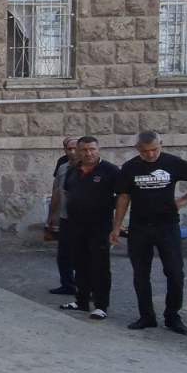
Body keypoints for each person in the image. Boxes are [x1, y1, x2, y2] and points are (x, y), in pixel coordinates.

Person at [111, 130, 187, 334]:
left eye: (154, 150)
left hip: (167, 226)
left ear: (161, 145)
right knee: (141, 273)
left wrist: (185, 199)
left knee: (175, 272)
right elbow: (123, 197)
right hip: (139, 227)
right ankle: (146, 316)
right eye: (145, 151)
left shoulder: (172, 162)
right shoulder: (130, 167)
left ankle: (172, 316)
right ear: (138, 149)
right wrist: (116, 226)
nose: (150, 154)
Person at [58, 137, 120, 321]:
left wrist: (117, 225)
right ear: (78, 151)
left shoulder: (110, 170)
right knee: (80, 264)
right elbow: (67, 193)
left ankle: (101, 305)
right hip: (76, 225)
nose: (88, 153)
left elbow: (122, 197)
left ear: (98, 149)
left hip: (100, 227)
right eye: (84, 150)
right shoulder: (73, 171)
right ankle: (82, 300)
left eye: (92, 149)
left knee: (100, 266)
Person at [48, 136, 81, 295]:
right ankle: (67, 284)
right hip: (65, 216)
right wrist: (51, 217)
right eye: (69, 149)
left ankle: (86, 288)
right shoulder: (62, 167)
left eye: (76, 148)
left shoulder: (93, 168)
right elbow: (56, 191)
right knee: (63, 254)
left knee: (82, 255)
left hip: (84, 219)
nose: (73, 152)